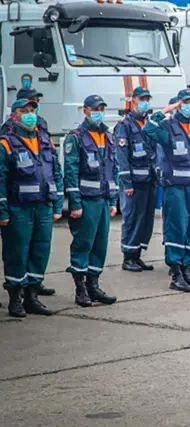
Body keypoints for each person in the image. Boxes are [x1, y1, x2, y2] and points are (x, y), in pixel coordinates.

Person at [0, 99, 63, 317]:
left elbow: (56, 172)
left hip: (43, 206)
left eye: (32, 110)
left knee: (40, 250)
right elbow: (0, 178)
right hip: (19, 208)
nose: (29, 114)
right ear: (14, 115)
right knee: (17, 252)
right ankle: (15, 299)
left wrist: (57, 204)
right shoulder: (6, 143)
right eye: (23, 111)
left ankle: (32, 296)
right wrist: (3, 210)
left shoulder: (45, 140)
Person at [143, 89, 190, 292]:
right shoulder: (168, 126)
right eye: (185, 102)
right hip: (175, 188)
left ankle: (188, 270)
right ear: (178, 105)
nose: (189, 106)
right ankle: (176, 273)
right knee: (176, 227)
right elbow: (148, 130)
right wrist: (164, 111)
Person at [64, 95, 118, 307]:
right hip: (86, 201)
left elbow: (113, 170)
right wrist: (75, 203)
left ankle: (93, 285)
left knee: (100, 245)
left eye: (102, 108)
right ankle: (80, 289)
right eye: (95, 108)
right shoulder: (76, 137)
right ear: (85, 110)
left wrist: (113, 199)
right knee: (83, 243)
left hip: (103, 200)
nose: (99, 112)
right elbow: (70, 171)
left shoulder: (108, 136)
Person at [114, 86, 157, 272]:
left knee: (146, 219)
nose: (144, 102)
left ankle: (137, 254)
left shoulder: (147, 123)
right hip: (134, 183)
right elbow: (121, 156)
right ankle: (128, 256)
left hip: (149, 180)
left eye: (147, 98)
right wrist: (127, 183)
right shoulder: (124, 125)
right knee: (132, 218)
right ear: (134, 101)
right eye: (141, 98)